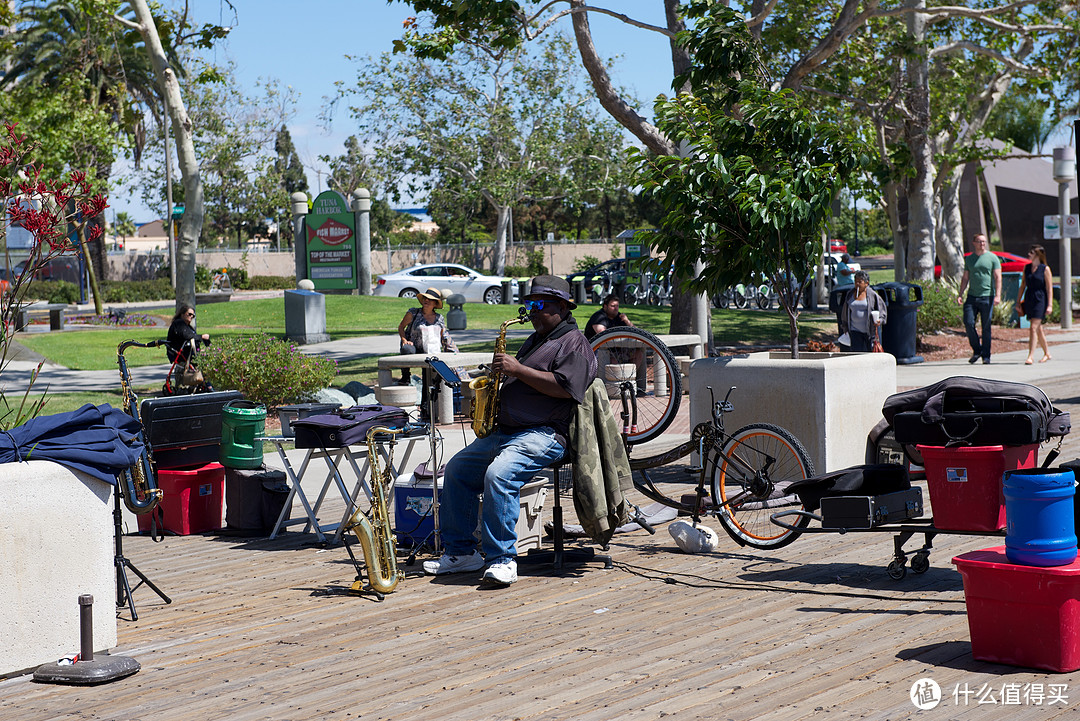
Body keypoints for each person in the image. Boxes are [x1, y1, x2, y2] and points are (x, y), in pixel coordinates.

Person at [423, 275, 597, 586]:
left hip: (545, 433)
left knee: (499, 475)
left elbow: (569, 389)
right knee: (458, 470)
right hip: (507, 431)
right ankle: (462, 553)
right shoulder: (539, 338)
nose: (531, 311)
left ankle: (503, 559)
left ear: (561, 306)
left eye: (538, 305)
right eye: (529, 304)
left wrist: (517, 369)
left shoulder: (574, 343)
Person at [585, 294, 646, 396]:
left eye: (617, 306)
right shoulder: (599, 317)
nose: (615, 308)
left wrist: (627, 321)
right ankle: (614, 390)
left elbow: (636, 332)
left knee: (638, 354)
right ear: (605, 306)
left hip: (616, 350)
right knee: (612, 361)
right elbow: (602, 336)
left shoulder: (619, 317)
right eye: (612, 306)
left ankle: (632, 386)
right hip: (596, 352)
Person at [396, 287, 458, 384]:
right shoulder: (413, 313)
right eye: (425, 298)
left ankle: (427, 397)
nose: (426, 300)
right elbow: (401, 327)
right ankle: (405, 376)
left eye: (430, 299)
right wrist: (404, 340)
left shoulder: (439, 318)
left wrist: (451, 352)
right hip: (414, 346)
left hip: (430, 350)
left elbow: (444, 336)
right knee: (407, 349)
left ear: (435, 304)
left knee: (429, 377)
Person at [957, 234, 1001, 364]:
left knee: (986, 327)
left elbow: (998, 277)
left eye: (984, 241)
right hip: (972, 296)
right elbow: (965, 277)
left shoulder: (993, 258)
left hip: (987, 296)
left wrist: (997, 295)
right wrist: (960, 294)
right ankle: (977, 350)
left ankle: (986, 355)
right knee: (969, 322)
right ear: (974, 243)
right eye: (979, 241)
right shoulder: (970, 259)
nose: (982, 244)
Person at [1017, 244, 1053, 365]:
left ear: (1038, 255)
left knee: (1033, 327)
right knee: (1038, 329)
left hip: (1040, 299)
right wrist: (1018, 301)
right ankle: (1047, 353)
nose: (1029, 254)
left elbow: (1049, 288)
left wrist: (1050, 305)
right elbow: (1022, 285)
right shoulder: (1026, 268)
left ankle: (1030, 356)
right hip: (1029, 298)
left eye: (1031, 253)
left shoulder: (1045, 269)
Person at [839, 270, 887, 352]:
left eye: (860, 282)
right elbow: (845, 311)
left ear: (866, 283)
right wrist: (845, 326)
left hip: (869, 332)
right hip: (854, 331)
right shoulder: (850, 294)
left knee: (870, 354)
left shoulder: (872, 295)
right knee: (857, 354)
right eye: (855, 281)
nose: (857, 284)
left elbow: (882, 310)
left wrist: (880, 320)